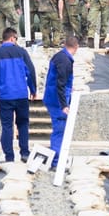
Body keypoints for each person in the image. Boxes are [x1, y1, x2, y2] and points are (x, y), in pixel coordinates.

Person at [0, 28, 38, 163]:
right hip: (21, 95)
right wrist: (33, 90)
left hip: (6, 96)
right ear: (12, 38)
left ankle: (9, 157)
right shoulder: (22, 52)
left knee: (7, 126)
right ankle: (24, 153)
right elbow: (30, 71)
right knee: (23, 124)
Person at [42, 34, 78, 166]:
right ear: (76, 47)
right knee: (60, 129)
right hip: (56, 100)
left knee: (60, 128)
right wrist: (64, 105)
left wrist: (70, 88)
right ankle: (56, 161)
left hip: (53, 97)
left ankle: (58, 157)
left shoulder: (60, 56)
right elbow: (60, 83)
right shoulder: (65, 60)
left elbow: (62, 81)